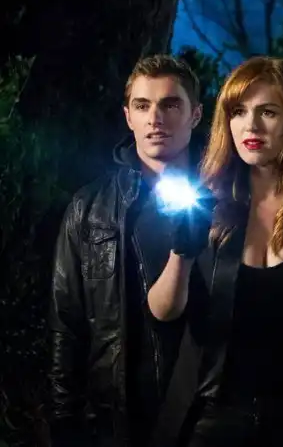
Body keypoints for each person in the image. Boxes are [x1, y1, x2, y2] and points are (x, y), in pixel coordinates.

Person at [145, 56, 283, 447]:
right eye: (239, 111)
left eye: (268, 112)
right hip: (210, 419)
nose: (251, 126)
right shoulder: (203, 200)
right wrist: (182, 252)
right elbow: (164, 311)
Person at [48, 54, 204, 446]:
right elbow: (66, 323)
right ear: (128, 116)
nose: (156, 118)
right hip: (115, 419)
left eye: (170, 104)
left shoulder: (227, 197)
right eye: (143, 105)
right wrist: (64, 422)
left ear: (196, 115)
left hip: (207, 417)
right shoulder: (89, 207)